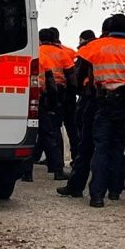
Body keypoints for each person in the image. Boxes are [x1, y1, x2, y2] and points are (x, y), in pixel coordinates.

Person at [75, 14, 125, 208]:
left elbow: (81, 74)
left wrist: (90, 94)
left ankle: (97, 196)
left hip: (105, 102)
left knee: (101, 149)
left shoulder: (96, 47)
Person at [57, 21, 107, 198]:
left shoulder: (90, 49)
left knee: (86, 146)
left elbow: (77, 77)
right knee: (113, 147)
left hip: (92, 100)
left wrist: (81, 93)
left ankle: (78, 187)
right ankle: (115, 190)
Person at [27, 28, 72, 181]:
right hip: (44, 101)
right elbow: (52, 85)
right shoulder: (50, 57)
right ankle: (58, 170)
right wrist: (54, 104)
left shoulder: (31, 54)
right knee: (50, 135)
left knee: (28, 136)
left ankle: (26, 173)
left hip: (26, 101)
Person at [51, 27, 80, 163]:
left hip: (51, 93)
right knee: (71, 126)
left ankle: (57, 159)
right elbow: (74, 74)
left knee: (54, 126)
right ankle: (76, 156)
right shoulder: (69, 52)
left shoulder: (40, 52)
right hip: (67, 92)